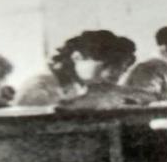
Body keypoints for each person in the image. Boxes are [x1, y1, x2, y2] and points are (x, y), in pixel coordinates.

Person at [16, 30, 152, 109]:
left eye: (122, 68)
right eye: (107, 65)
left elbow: (141, 96)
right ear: (77, 57)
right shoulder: (40, 85)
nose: (115, 73)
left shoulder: (92, 84)